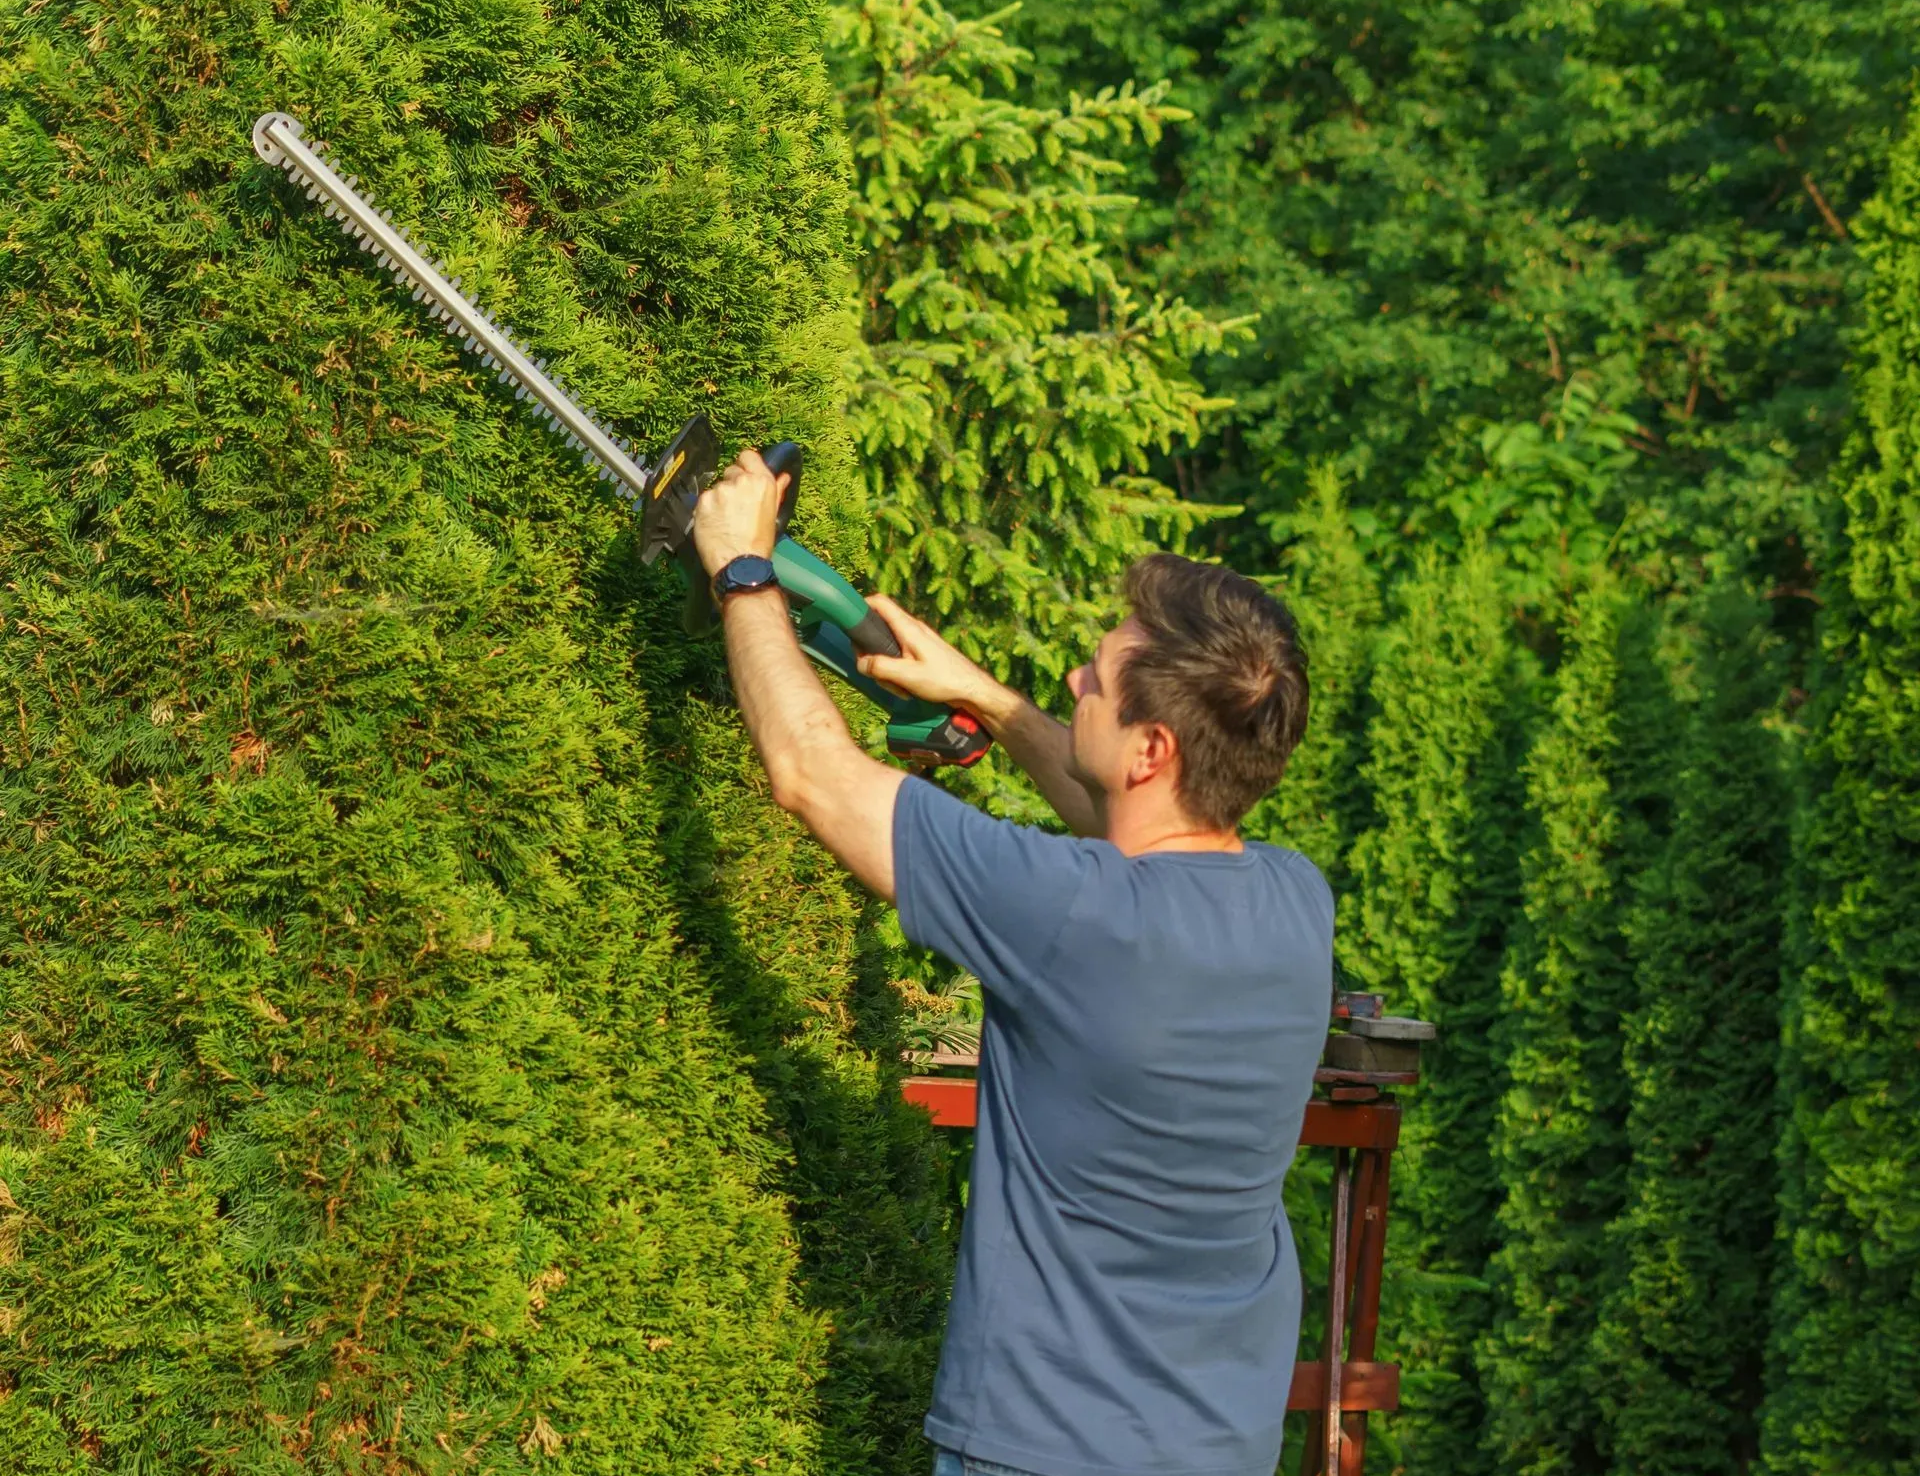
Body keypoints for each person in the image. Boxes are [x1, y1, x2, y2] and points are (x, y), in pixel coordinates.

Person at [693, 449, 1333, 1476]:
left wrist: (742, 570)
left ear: (1154, 748)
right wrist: (985, 701)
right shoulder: (1295, 902)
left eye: (1096, 676)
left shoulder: (1069, 915)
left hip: (1045, 1449)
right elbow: (1125, 820)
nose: (1076, 679)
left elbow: (813, 775)